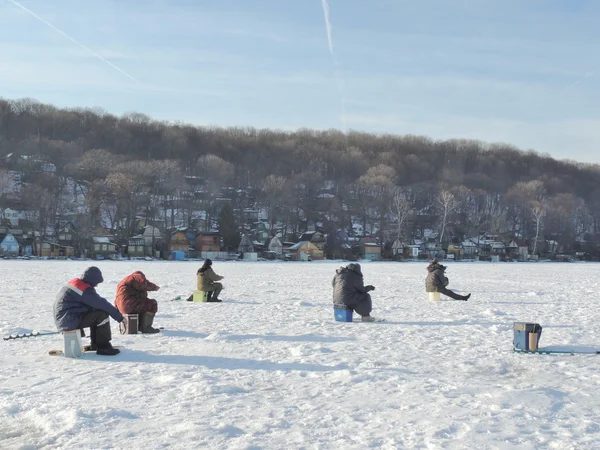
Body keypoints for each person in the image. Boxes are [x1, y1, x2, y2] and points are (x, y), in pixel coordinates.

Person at [53, 266, 122, 356]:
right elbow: (102, 303)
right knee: (102, 314)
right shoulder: (83, 289)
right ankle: (103, 346)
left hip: (66, 318)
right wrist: (120, 318)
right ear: (92, 280)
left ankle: (96, 344)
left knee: (97, 312)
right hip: (68, 319)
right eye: (96, 282)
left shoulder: (76, 284)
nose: (96, 285)